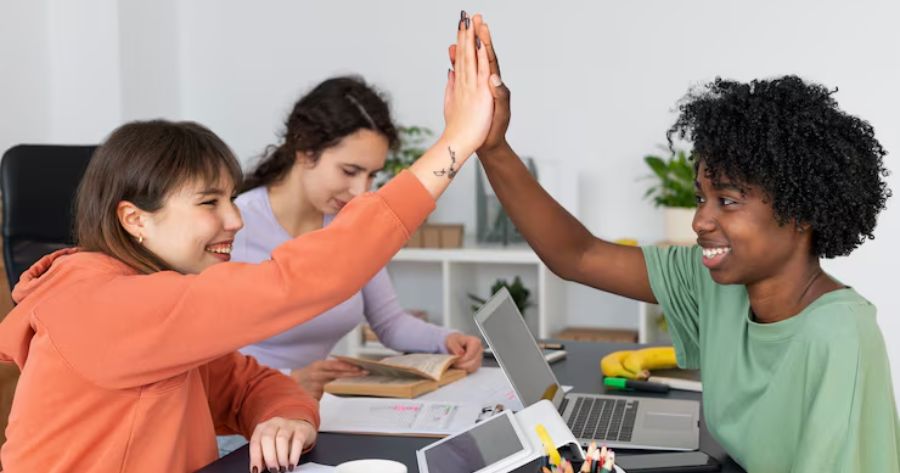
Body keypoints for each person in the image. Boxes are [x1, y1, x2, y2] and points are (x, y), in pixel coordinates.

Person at [0, 12, 497, 472]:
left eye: (231, 200)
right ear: (135, 219)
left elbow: (251, 385)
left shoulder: (161, 312)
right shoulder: (108, 307)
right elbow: (298, 281)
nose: (235, 220)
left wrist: (289, 416)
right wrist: (457, 141)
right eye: (209, 203)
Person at [469, 22, 899, 472]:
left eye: (727, 201)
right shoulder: (715, 280)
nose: (700, 221)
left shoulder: (840, 336)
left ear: (801, 212)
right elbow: (577, 255)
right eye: (701, 198)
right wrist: (492, 146)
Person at [233, 76, 483, 401]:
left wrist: (448, 340)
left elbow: (390, 323)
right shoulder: (234, 226)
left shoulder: (348, 225)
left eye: (372, 175)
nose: (360, 191)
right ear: (304, 150)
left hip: (314, 410)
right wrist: (286, 381)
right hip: (244, 415)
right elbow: (203, 356)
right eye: (349, 172)